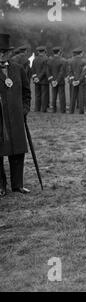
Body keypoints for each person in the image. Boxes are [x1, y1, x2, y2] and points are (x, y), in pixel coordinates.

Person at [0, 33, 32, 197]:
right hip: (1, 121)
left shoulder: (18, 69)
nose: (1, 54)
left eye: (4, 51)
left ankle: (17, 185)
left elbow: (27, 93)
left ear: (9, 53)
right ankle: (1, 186)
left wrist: (24, 110)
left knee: (18, 152)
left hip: (17, 119)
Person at [48, 46, 66, 113]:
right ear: (59, 52)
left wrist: (52, 80)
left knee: (54, 95)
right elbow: (61, 72)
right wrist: (57, 81)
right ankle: (62, 110)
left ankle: (54, 109)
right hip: (60, 81)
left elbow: (48, 71)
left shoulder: (50, 60)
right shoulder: (62, 60)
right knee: (61, 96)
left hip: (53, 80)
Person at [32, 46, 49, 113]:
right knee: (44, 95)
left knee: (37, 95)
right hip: (44, 80)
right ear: (44, 51)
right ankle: (43, 109)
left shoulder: (34, 59)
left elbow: (33, 70)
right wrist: (39, 78)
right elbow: (44, 70)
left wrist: (35, 78)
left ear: (38, 52)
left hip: (36, 80)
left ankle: (37, 108)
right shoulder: (46, 59)